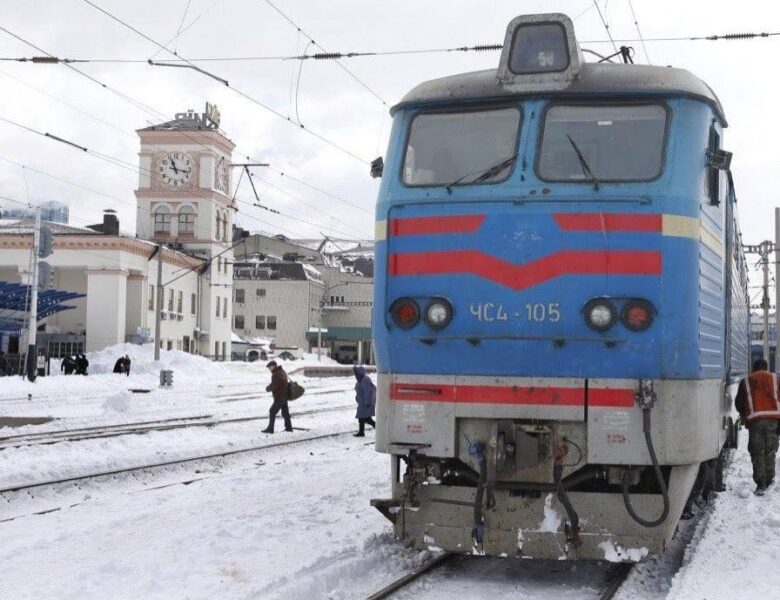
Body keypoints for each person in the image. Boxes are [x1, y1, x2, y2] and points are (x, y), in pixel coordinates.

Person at [735, 358, 780, 495]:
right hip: (774, 420)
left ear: (753, 368)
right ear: (766, 368)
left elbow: (739, 402)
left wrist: (744, 415)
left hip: (755, 422)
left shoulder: (746, 380)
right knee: (770, 450)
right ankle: (769, 478)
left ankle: (761, 484)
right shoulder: (776, 378)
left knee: (757, 451)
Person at [262, 360, 292, 433]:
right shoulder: (282, 371)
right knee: (285, 412)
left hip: (279, 396)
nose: (269, 369)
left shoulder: (276, 374)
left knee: (272, 411)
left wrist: (268, 388)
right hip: (285, 395)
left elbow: (274, 385)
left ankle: (270, 429)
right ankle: (289, 428)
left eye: (269, 367)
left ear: (273, 366)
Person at [353, 365, 376, 437]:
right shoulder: (360, 380)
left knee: (365, 418)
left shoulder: (365, 379)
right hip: (362, 402)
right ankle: (361, 432)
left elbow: (367, 391)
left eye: (357, 373)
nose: (356, 375)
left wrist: (367, 402)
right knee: (362, 417)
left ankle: (377, 427)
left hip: (365, 402)